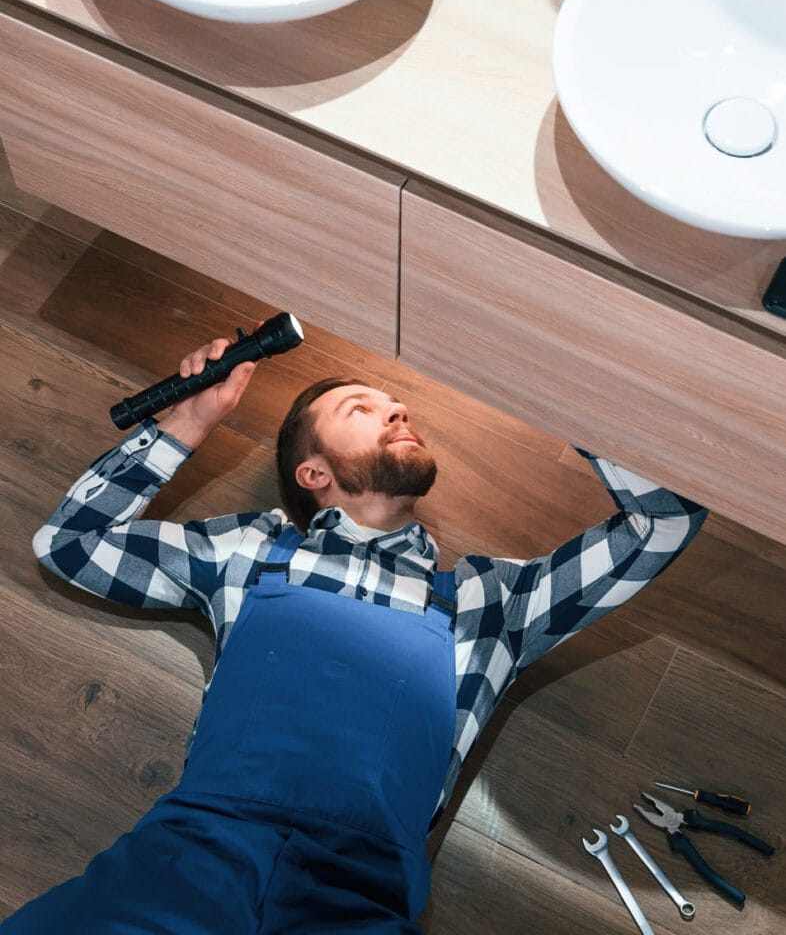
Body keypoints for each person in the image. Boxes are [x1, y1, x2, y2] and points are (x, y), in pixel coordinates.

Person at [2, 323, 708, 934]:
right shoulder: (247, 551)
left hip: (359, 894)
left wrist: (548, 379)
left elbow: (665, 521)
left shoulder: (494, 602)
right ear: (312, 472)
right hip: (189, 858)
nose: (397, 408)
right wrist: (190, 420)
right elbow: (69, 547)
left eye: (394, 405)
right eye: (361, 407)